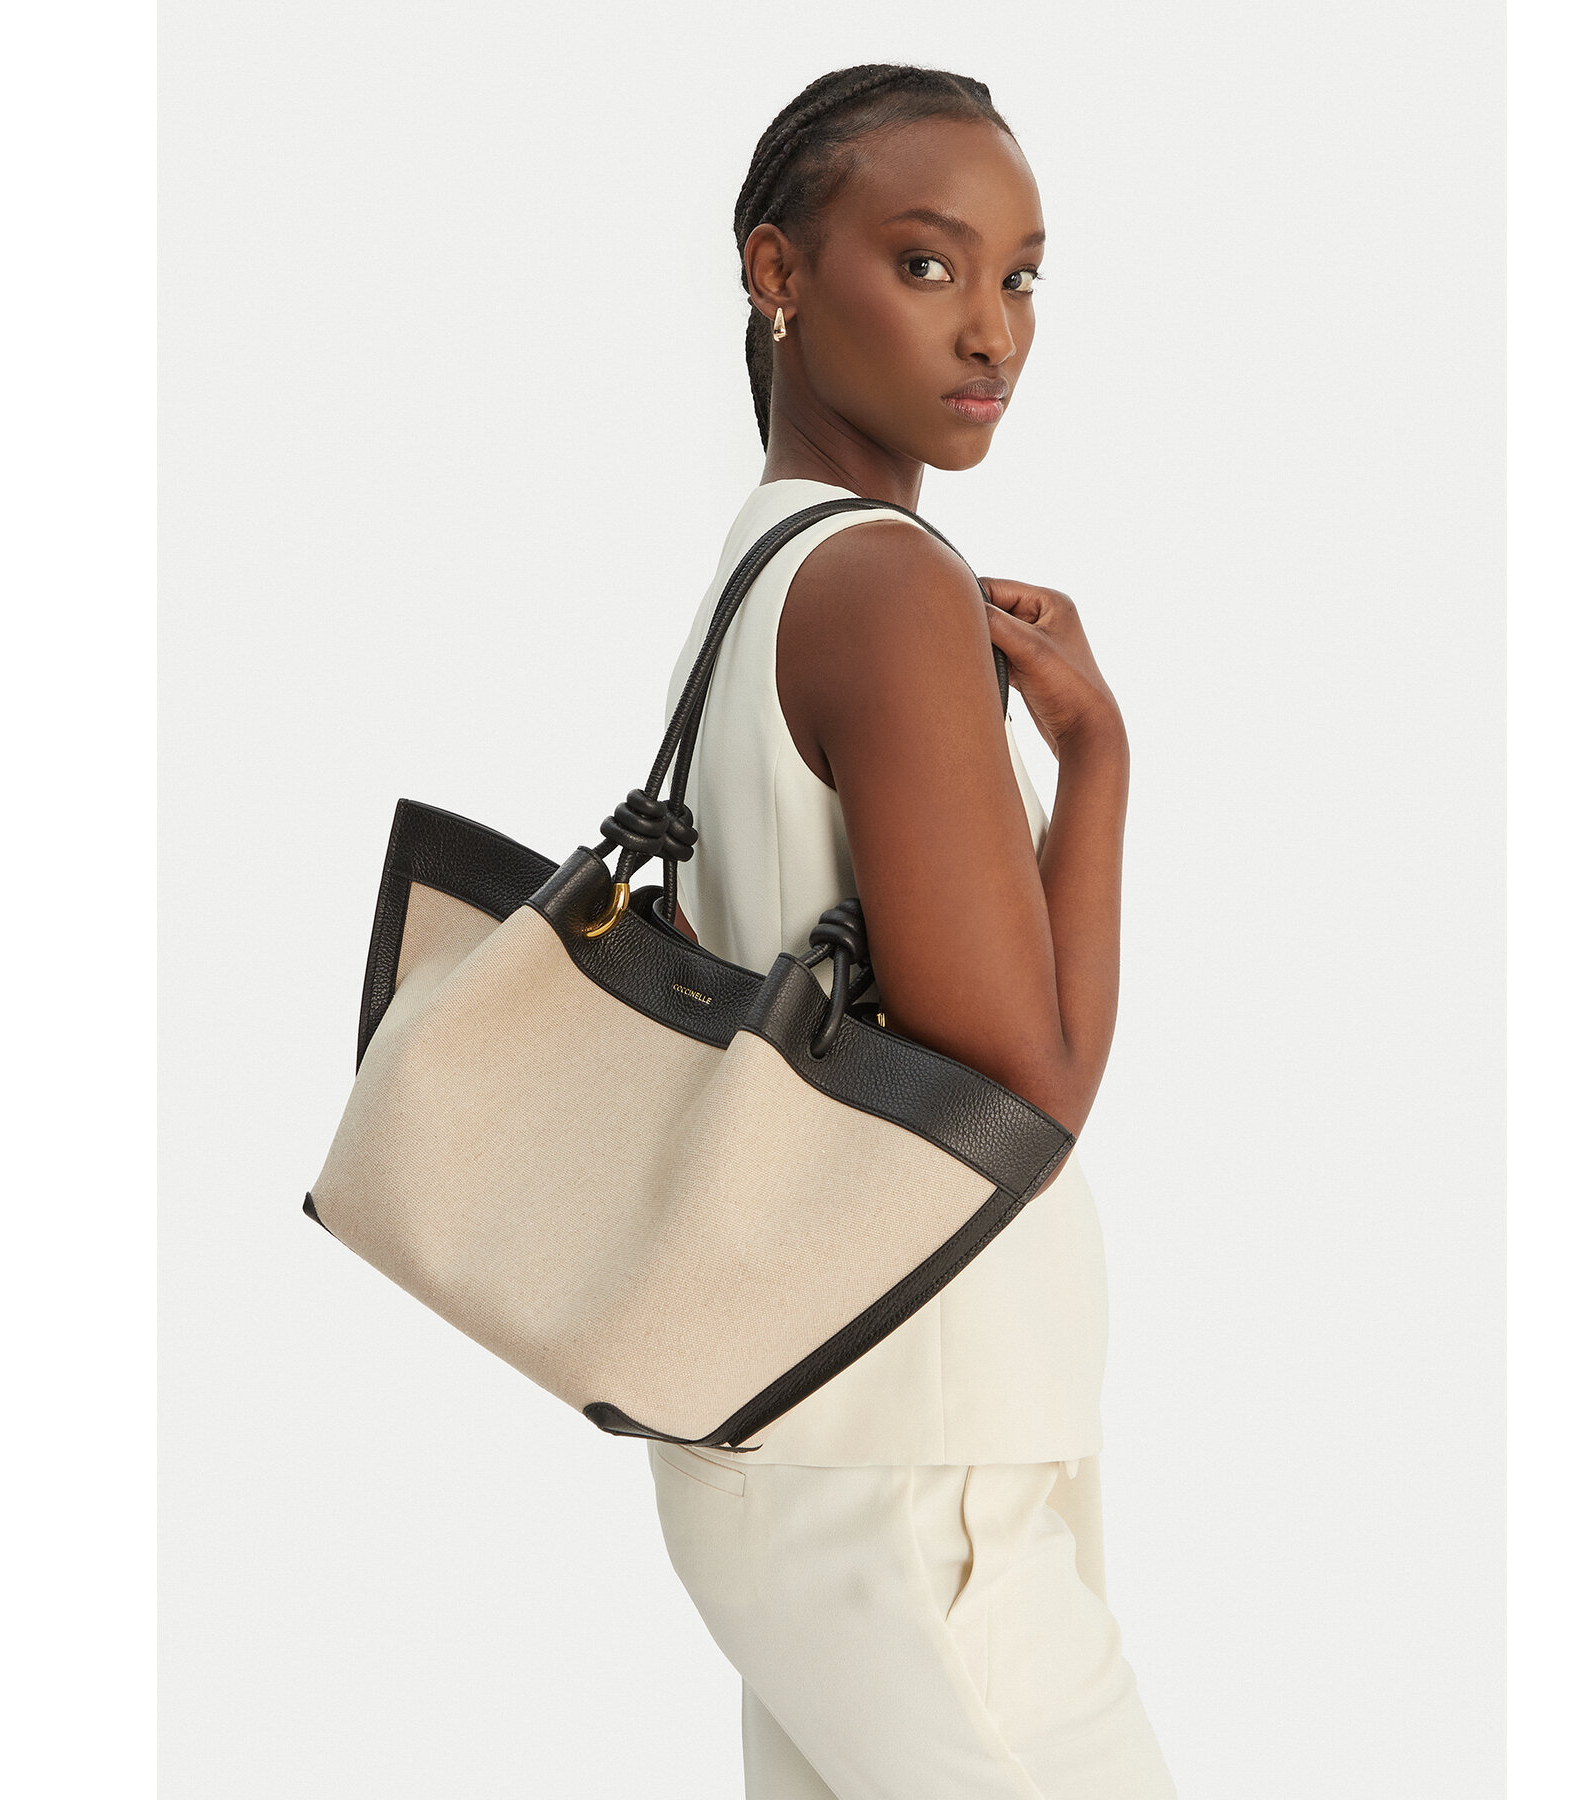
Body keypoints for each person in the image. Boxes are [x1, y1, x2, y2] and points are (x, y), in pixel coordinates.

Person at [647, 65, 1177, 1799]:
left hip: (797, 1431)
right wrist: (1099, 762)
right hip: (918, 1452)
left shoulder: (762, 570)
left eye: (1022, 277)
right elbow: (1024, 1090)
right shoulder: (884, 584)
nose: (992, 331)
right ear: (778, 272)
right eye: (929, 263)